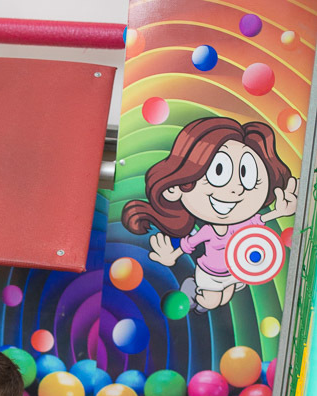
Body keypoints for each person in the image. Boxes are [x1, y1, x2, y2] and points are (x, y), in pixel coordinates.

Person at [121, 117, 297, 312]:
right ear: (177, 186)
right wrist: (171, 256)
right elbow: (189, 244)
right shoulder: (208, 231)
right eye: (219, 171)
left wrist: (280, 212)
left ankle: (197, 294)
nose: (236, 188)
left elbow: (259, 219)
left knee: (226, 296)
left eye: (247, 175)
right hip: (210, 274)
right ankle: (195, 294)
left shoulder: (242, 225)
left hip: (235, 272)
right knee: (211, 301)